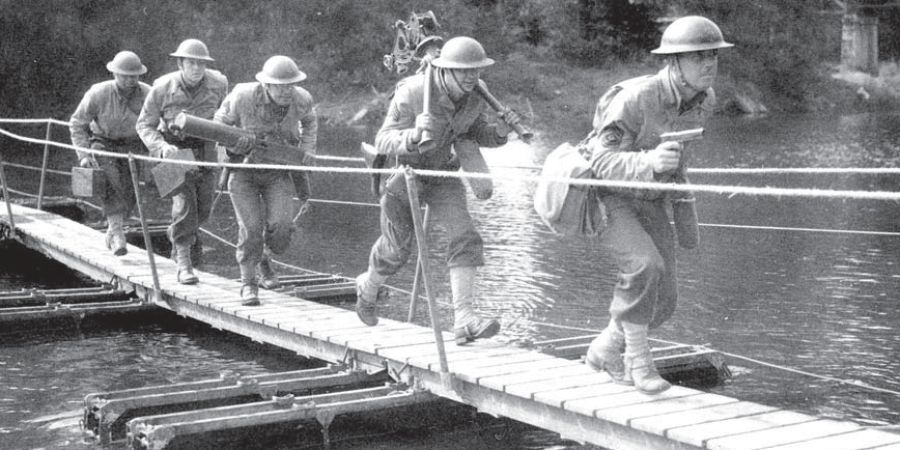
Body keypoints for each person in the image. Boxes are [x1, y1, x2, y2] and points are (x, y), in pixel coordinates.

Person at [583, 16, 732, 394]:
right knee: (643, 267)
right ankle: (639, 364)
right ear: (673, 63)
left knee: (664, 299)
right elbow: (600, 163)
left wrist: (681, 196)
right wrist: (648, 162)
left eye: (713, 55)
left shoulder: (706, 99)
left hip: (653, 197)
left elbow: (681, 155)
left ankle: (604, 349)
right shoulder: (636, 99)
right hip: (608, 195)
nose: (709, 64)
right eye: (698, 57)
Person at [354, 36, 520, 345]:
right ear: (445, 70)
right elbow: (383, 140)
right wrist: (414, 135)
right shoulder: (413, 92)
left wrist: (501, 130)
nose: (471, 77)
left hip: (443, 174)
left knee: (465, 237)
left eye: (476, 70)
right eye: (463, 71)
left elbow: (476, 132)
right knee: (396, 252)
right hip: (403, 176)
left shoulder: (474, 97)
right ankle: (369, 286)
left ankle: (465, 319)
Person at [213, 55, 317, 306]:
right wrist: (233, 142)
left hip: (278, 172)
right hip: (243, 173)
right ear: (266, 85)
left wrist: (306, 150)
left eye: (290, 85)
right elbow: (217, 125)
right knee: (250, 229)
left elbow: (310, 122)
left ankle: (265, 257)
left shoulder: (302, 99)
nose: (285, 91)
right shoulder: (242, 96)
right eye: (279, 86)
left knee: (281, 227)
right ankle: (249, 283)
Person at [136, 39, 228, 285]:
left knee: (204, 208)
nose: (197, 68)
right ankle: (184, 264)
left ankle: (177, 240)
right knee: (185, 205)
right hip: (172, 150)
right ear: (180, 64)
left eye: (201, 64)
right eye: (191, 63)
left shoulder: (219, 83)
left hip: (206, 151)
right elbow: (143, 125)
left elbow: (225, 117)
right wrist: (162, 147)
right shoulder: (162, 87)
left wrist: (225, 147)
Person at [69, 51, 151, 256]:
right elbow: (77, 124)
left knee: (131, 192)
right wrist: (84, 155)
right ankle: (117, 235)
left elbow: (158, 122)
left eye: (133, 76)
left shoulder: (148, 94)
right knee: (111, 180)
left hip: (133, 146)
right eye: (124, 75)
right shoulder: (98, 93)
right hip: (103, 144)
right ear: (114, 74)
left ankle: (112, 230)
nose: (129, 80)